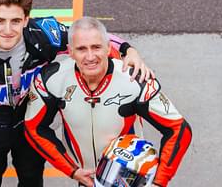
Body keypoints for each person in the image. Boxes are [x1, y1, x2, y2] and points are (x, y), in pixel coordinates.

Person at [0, 0, 153, 187]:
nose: (8, 30)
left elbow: (88, 37)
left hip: (31, 119)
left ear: (26, 19)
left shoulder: (43, 34)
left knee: (31, 177)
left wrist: (128, 49)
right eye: (0, 21)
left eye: (16, 21)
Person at [24, 17, 192, 187]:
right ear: (70, 51)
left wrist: (159, 182)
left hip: (127, 179)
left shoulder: (135, 81)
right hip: (86, 179)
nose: (90, 57)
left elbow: (179, 129)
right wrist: (72, 170)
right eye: (81, 49)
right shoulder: (51, 80)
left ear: (108, 48)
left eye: (96, 47)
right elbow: (34, 127)